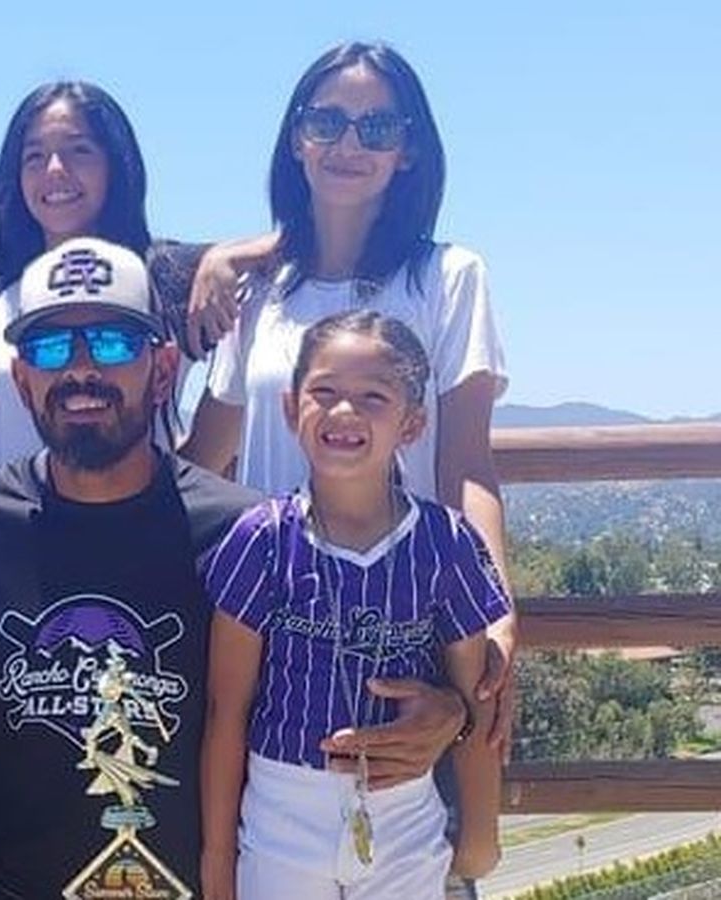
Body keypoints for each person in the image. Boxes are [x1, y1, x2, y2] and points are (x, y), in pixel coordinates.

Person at [0, 237, 469, 897]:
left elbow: (350, 673)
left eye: (112, 344)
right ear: (22, 380)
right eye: (50, 349)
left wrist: (453, 713)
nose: (81, 371)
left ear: (164, 370)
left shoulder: (248, 536)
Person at [180, 49, 517, 894]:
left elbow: (467, 463)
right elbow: (201, 463)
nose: (349, 143)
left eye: (377, 126)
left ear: (410, 148)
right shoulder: (260, 293)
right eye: (326, 121)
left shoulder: (447, 278)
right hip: (271, 629)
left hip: (410, 624)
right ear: (296, 138)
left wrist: (499, 622)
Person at [200, 311, 509, 899]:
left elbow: (477, 698)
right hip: (280, 813)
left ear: (412, 423)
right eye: (324, 391)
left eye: (373, 397)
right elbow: (226, 711)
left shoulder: (446, 542)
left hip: (405, 818)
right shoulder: (261, 540)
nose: (344, 411)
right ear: (291, 408)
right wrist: (218, 859)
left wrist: (480, 833)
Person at [0, 79, 268, 456]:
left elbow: (300, 246)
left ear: (115, 164)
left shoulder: (170, 276)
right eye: (34, 156)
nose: (55, 169)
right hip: (8, 496)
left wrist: (224, 258)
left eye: (79, 151)